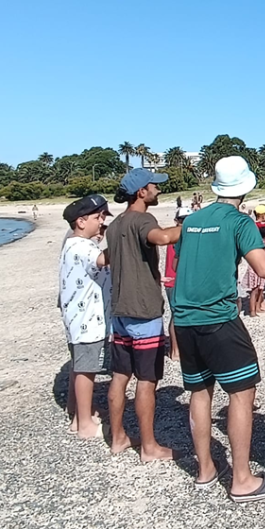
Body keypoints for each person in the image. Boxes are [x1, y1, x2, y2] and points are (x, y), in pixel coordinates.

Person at [171, 156, 265, 502]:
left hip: (185, 319)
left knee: (200, 393)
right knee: (241, 393)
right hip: (219, 319)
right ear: (246, 187)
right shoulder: (239, 222)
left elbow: (183, 266)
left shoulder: (192, 220)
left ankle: (206, 469)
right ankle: (242, 479)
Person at [108, 168, 181, 460]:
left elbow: (107, 259)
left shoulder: (115, 225)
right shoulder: (142, 219)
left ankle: (117, 438)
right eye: (154, 186)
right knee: (147, 380)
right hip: (144, 311)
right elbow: (160, 238)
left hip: (119, 312)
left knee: (119, 376)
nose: (158, 191)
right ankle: (149, 446)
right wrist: (192, 226)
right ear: (141, 192)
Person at [60, 194, 112, 438]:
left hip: (78, 318)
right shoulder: (82, 246)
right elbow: (102, 260)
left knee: (79, 366)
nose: (101, 222)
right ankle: (84, 424)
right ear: (81, 221)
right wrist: (123, 242)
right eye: (98, 217)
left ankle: (78, 411)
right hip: (88, 320)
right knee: (86, 369)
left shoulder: (71, 243)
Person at [163, 207, 191, 360]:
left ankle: (176, 349)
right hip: (175, 280)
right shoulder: (180, 236)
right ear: (177, 221)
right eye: (182, 220)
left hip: (173, 280)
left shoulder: (171, 235)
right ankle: (175, 350)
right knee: (177, 315)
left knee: (177, 314)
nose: (184, 223)